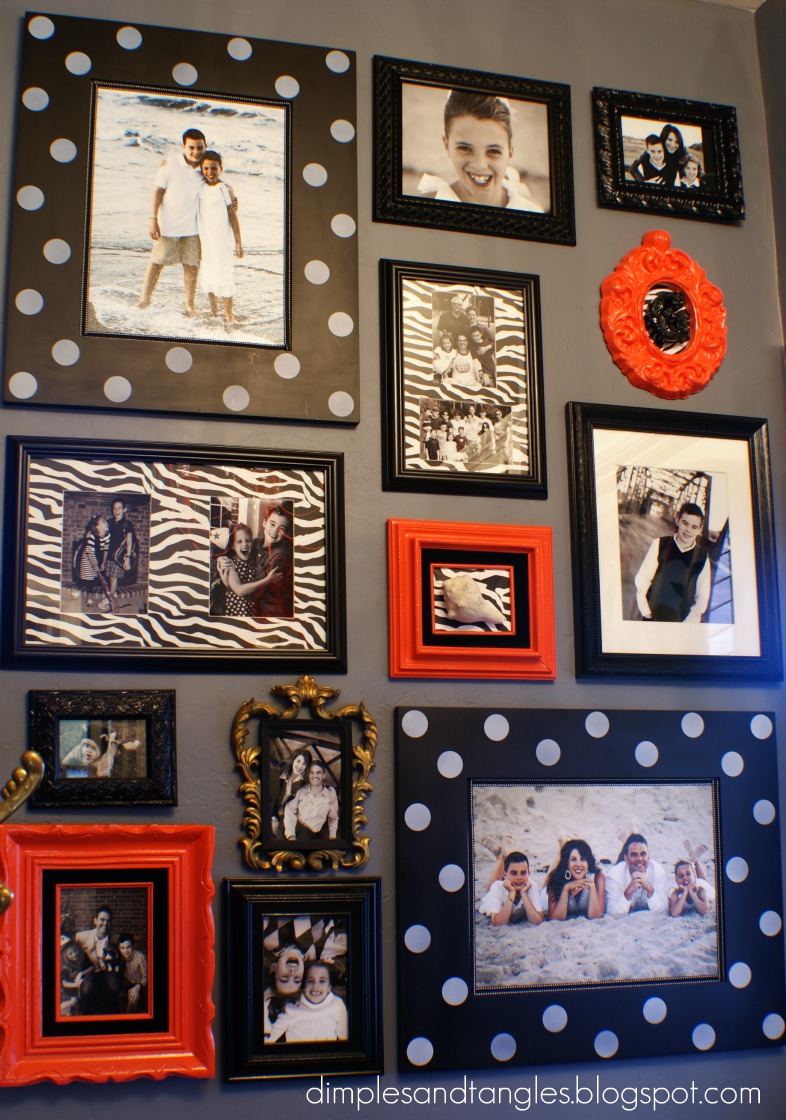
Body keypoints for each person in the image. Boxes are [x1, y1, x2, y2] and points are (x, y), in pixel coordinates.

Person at [418, 90, 544, 211]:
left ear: (510, 153)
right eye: (465, 148)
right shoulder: (427, 206)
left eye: (493, 151)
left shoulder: (530, 210)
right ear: (447, 146)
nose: (479, 165)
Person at [138, 128, 208, 315]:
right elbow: (157, 191)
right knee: (157, 262)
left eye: (200, 147)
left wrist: (233, 198)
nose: (196, 152)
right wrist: (153, 220)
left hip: (194, 228)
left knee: (191, 266)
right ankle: (144, 300)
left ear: (205, 146)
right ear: (183, 146)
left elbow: (218, 183)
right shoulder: (171, 163)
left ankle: (189, 305)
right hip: (169, 225)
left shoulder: (206, 166)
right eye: (191, 147)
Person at [634, 503, 711, 623]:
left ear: (700, 530)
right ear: (677, 521)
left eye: (694, 527)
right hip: (652, 617)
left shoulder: (703, 559)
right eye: (685, 523)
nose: (688, 530)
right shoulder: (659, 544)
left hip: (681, 624)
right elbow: (642, 580)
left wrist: (686, 625)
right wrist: (647, 614)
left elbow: (701, 599)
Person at [197, 150, 243, 326]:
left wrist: (238, 243)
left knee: (224, 274)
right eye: (206, 168)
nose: (210, 172)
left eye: (214, 168)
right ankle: (214, 310)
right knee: (208, 272)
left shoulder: (225, 188)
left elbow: (233, 216)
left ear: (221, 168)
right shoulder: (200, 186)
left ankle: (229, 315)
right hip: (206, 239)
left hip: (222, 239)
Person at [266, 960, 349, 1043]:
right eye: (310, 981)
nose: (316, 985)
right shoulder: (290, 1009)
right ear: (304, 986)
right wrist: (264, 1002)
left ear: (329, 987)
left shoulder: (337, 1005)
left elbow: (345, 1035)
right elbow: (268, 1038)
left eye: (322, 981)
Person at [214, 522, 283, 617]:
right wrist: (268, 580)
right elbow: (239, 590)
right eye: (239, 541)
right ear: (233, 546)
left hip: (251, 610)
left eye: (248, 540)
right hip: (236, 612)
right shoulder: (230, 564)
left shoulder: (252, 559)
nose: (245, 544)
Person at [478, 838, 543, 926]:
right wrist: (511, 893)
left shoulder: (532, 885)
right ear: (504, 875)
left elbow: (538, 921)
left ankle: (502, 857)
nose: (519, 877)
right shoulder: (497, 886)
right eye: (514, 873)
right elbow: (497, 923)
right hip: (495, 893)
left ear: (529, 874)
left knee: (503, 878)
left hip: (508, 883)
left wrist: (524, 894)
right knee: (490, 890)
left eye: (523, 873)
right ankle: (502, 858)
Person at [74, 905, 124, 1014]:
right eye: (102, 919)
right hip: (90, 971)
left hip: (107, 972)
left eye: (108, 920)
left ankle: (106, 1016)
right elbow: (71, 956)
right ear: (95, 920)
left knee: (114, 986)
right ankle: (85, 1016)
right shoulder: (81, 937)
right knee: (87, 988)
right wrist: (77, 974)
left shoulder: (116, 939)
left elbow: (121, 960)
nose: (105, 923)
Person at [604, 833, 670, 915]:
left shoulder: (658, 872)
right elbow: (612, 912)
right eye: (634, 855)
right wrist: (627, 893)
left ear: (648, 856)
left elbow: (663, 910)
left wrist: (650, 889)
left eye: (643, 854)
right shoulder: (614, 876)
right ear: (626, 859)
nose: (639, 859)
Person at [249, 504, 294, 618]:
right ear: (264, 523)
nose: (275, 530)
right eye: (272, 524)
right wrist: (222, 558)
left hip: (269, 611)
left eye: (281, 528)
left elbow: (255, 590)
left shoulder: (280, 555)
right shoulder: (256, 542)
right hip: (253, 605)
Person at [545, 839, 605, 920]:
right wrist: (566, 888)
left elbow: (597, 916)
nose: (578, 864)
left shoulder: (598, 877)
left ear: (588, 862)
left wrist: (592, 887)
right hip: (544, 897)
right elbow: (554, 919)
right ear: (567, 863)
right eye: (573, 859)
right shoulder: (555, 878)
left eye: (583, 859)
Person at [283, 758, 339, 842]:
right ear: (308, 775)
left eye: (318, 772)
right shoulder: (301, 791)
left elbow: (333, 818)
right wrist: (291, 835)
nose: (315, 776)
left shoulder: (330, 794)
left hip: (318, 834)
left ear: (324, 775)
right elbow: (289, 809)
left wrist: (332, 836)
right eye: (311, 772)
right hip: (300, 830)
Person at [263, 944, 305, 1042]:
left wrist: (263, 1004)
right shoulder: (314, 951)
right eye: (297, 979)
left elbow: (267, 1039)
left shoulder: (270, 942)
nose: (292, 972)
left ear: (274, 967)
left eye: (284, 978)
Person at [71, 514, 111, 611]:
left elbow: (105, 549)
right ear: (97, 527)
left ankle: (88, 597)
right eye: (103, 522)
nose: (106, 522)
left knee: (92, 580)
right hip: (88, 558)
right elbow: (88, 552)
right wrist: (94, 565)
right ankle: (78, 590)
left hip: (97, 558)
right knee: (87, 578)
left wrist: (103, 563)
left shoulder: (107, 536)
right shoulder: (92, 536)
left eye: (106, 521)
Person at [271, 747, 312, 837]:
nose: (300, 766)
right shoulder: (278, 773)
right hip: (270, 812)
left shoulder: (302, 782)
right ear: (293, 760)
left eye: (304, 764)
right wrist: (273, 819)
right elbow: (267, 799)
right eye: (298, 761)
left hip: (284, 813)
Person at [106, 499, 138, 600]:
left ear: (124, 509)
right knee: (111, 577)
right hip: (110, 555)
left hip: (119, 556)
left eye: (119, 508)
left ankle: (110, 600)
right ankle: (113, 594)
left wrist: (127, 558)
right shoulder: (109, 522)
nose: (116, 510)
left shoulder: (127, 524)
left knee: (113, 577)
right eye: (114, 508)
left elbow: (129, 541)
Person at [118, 932, 148, 1012]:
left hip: (140, 984)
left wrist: (138, 986)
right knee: (119, 996)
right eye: (122, 948)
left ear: (133, 946)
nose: (125, 951)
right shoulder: (120, 957)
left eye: (128, 947)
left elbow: (147, 976)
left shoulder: (140, 957)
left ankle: (129, 1016)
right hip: (127, 982)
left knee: (133, 999)